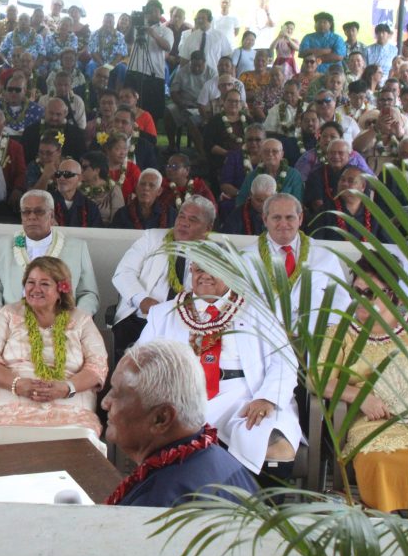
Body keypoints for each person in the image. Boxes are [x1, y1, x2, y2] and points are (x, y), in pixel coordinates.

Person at [140, 257, 302, 474]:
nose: (205, 275)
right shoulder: (163, 313)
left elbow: (284, 361)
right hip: (182, 398)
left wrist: (267, 397)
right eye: (199, 269)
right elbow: (140, 361)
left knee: (276, 449)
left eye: (214, 269)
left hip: (244, 395)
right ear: (191, 272)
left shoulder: (257, 310)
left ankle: (260, 506)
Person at [321, 255, 408, 512]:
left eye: (370, 293)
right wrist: (361, 398)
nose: (361, 299)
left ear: (393, 294)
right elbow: (318, 379)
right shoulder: (341, 330)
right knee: (381, 461)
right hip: (374, 422)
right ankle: (386, 522)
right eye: (356, 291)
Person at [102, 339, 259, 506]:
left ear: (161, 418)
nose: (105, 402)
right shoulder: (218, 458)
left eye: (118, 393)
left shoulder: (159, 502)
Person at [0, 256, 108, 446]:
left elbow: (97, 367)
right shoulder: (8, 313)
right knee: (6, 436)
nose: (35, 289)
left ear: (61, 289)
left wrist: (66, 388)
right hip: (14, 397)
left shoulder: (81, 320)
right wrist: (18, 384)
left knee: (80, 441)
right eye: (31, 282)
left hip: (70, 400)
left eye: (44, 284)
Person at [111, 196, 216, 357]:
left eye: (193, 220)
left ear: (207, 228)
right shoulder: (151, 238)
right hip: (140, 318)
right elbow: (123, 272)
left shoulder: (213, 255)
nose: (184, 222)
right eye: (181, 216)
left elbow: (214, 294)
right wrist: (143, 300)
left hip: (187, 324)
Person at [0, 190, 100, 322]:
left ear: (51, 215)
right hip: (13, 322)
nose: (32, 216)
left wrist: (79, 317)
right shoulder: (1, 246)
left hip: (62, 323)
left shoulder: (77, 248)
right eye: (26, 212)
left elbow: (88, 293)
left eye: (39, 211)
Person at [242, 193, 349, 326]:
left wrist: (325, 337)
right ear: (265, 219)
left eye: (289, 217)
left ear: (300, 218)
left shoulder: (325, 255)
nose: (283, 223)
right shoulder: (245, 259)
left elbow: (341, 303)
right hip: (264, 341)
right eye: (276, 217)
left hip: (313, 340)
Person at [111, 168, 177, 230]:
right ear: (136, 188)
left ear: (159, 191)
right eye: (142, 184)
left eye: (151, 185)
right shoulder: (122, 214)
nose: (146, 188)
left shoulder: (170, 215)